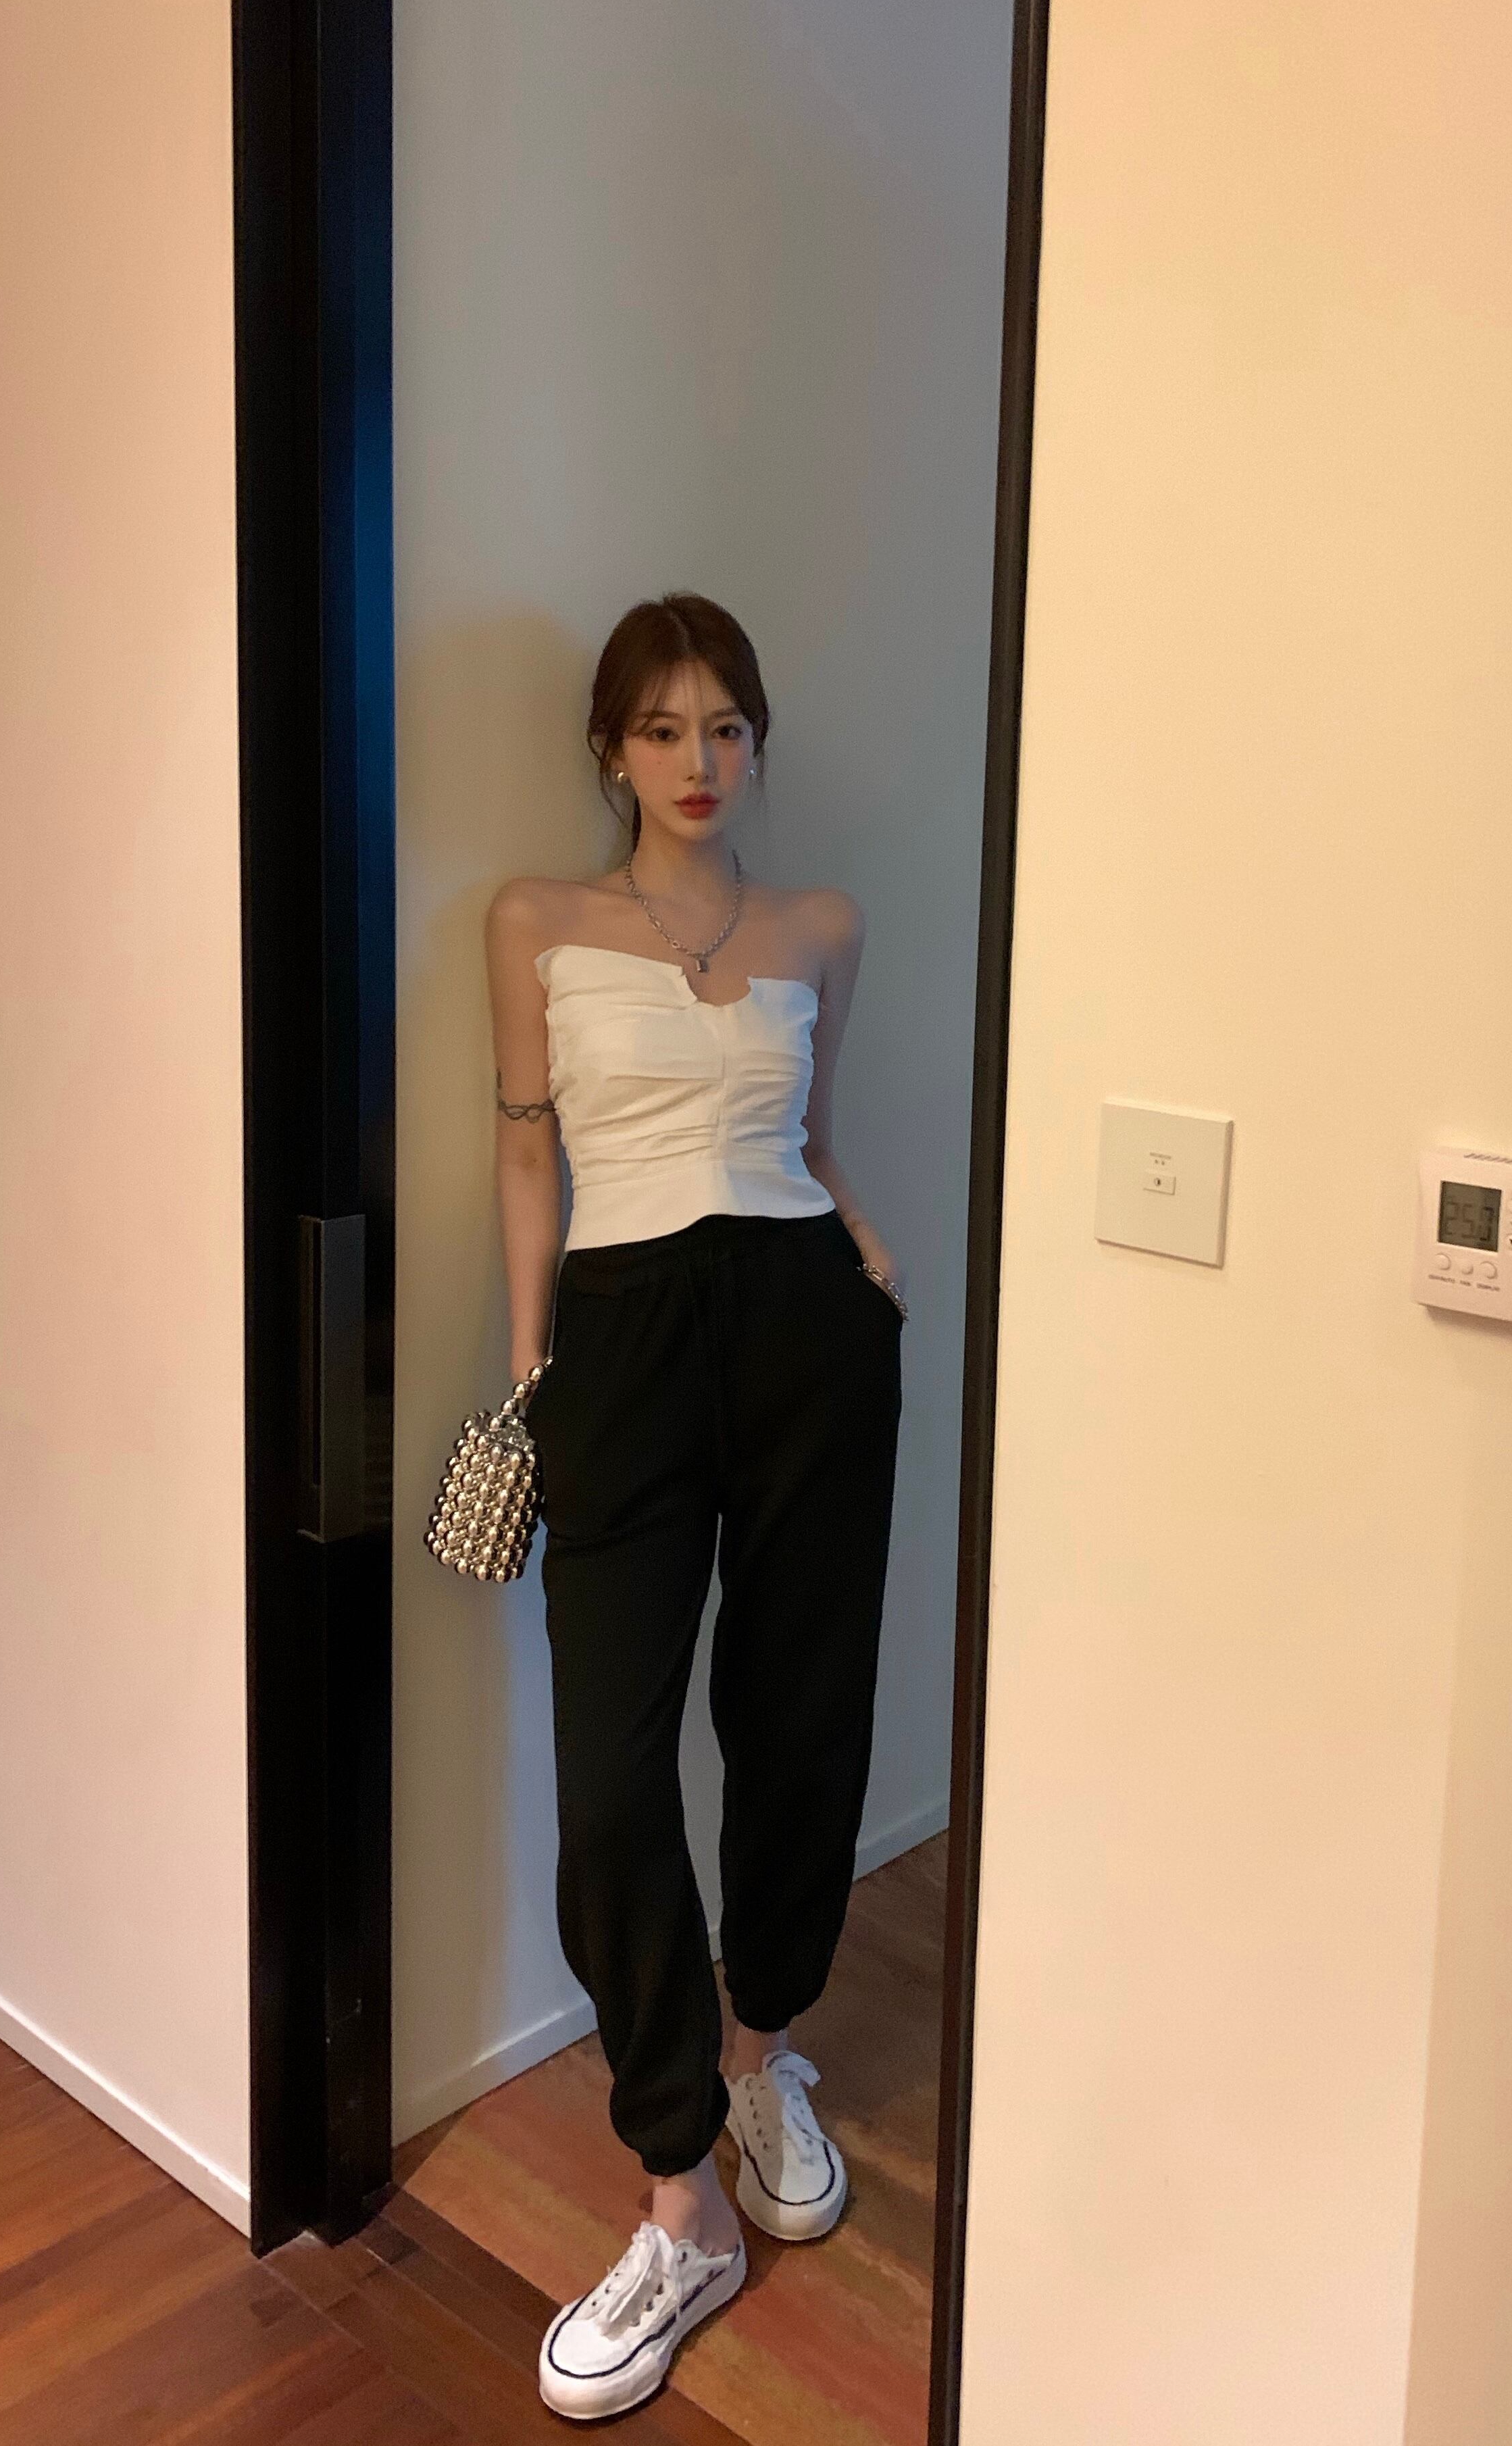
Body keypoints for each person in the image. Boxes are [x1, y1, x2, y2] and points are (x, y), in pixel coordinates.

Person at [484, 591, 905, 2422]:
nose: (699, 758)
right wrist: (535, 1370)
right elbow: (527, 1154)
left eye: (725, 724)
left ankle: (756, 2055)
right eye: (662, 728)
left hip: (808, 1326)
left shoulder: (822, 925)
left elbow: (810, 1135)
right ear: (611, 749)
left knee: (800, 1714)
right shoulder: (537, 921)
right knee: (609, 1770)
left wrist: (864, 1247)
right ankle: (678, 2194)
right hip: (625, 1339)